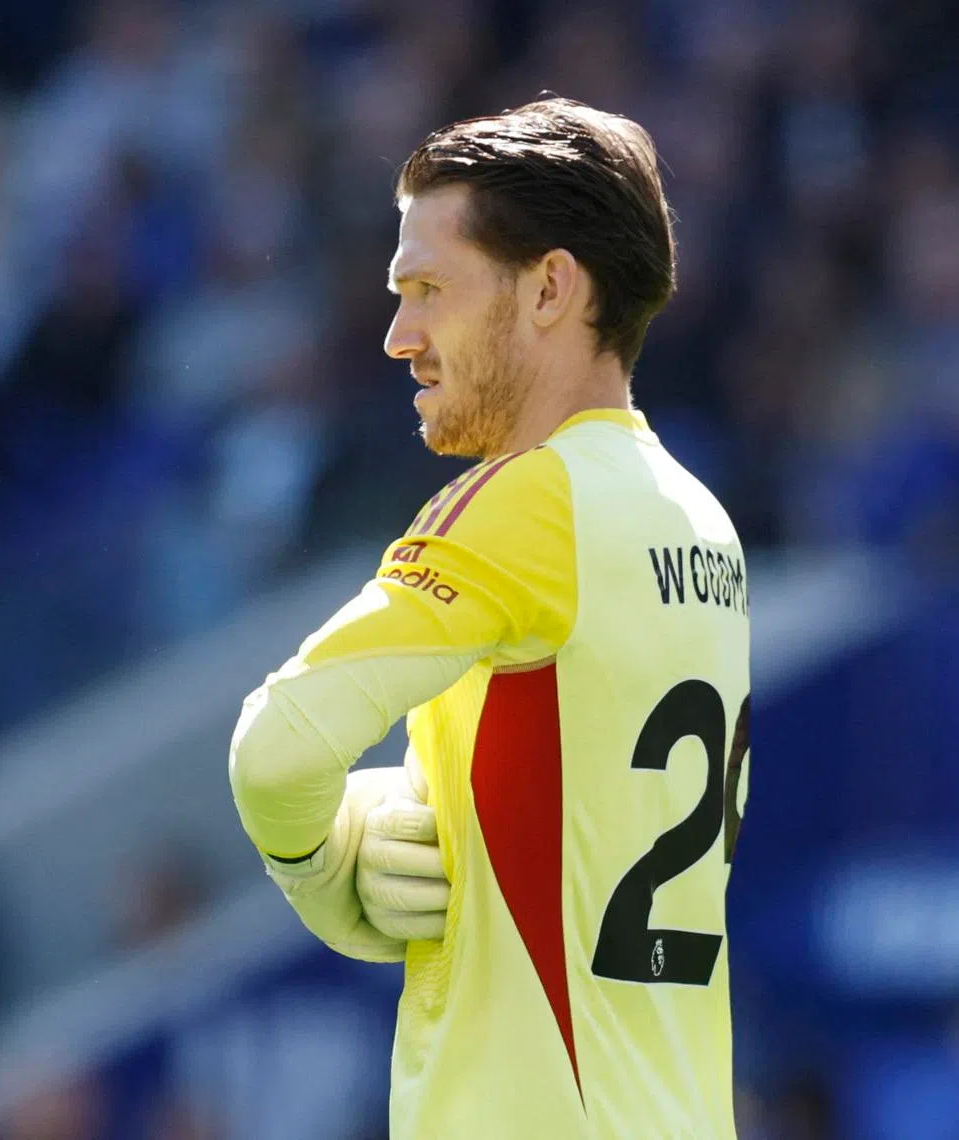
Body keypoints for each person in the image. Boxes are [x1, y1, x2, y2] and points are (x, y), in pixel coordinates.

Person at [229, 96, 751, 1139]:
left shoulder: (528, 500)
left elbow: (276, 754)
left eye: (429, 289)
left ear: (551, 286)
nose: (399, 338)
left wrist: (327, 871)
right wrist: (418, 812)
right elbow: (582, 807)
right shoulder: (699, 518)